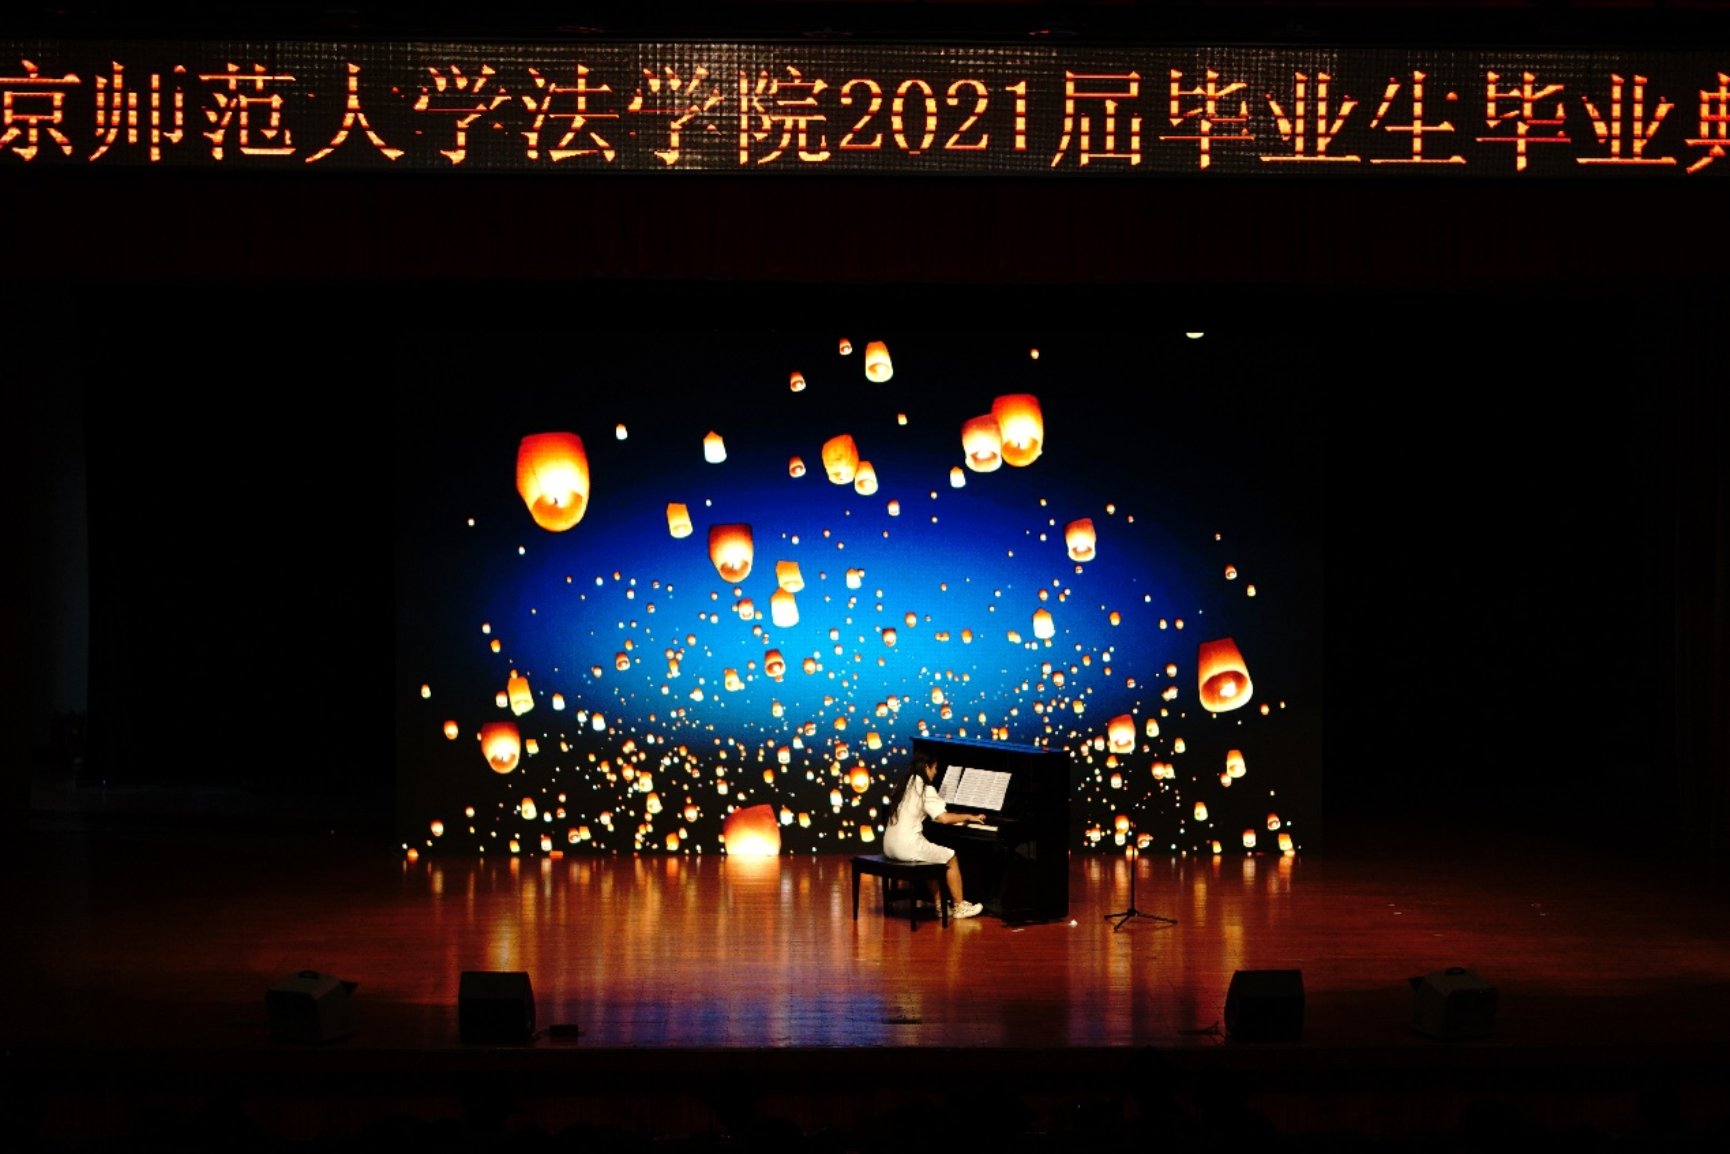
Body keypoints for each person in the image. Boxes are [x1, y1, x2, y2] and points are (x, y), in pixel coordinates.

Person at [882, 751, 989, 919]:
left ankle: (940, 905)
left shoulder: (904, 784)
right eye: (935, 768)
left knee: (931, 857)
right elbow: (944, 818)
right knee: (950, 857)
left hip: (889, 846)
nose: (936, 772)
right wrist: (969, 816)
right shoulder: (925, 789)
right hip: (906, 847)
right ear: (927, 767)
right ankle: (960, 906)